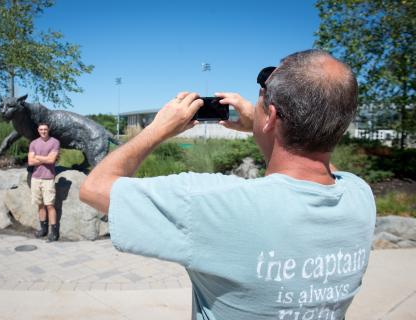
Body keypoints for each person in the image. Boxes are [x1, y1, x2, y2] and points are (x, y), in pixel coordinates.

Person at [80, 49, 376, 320]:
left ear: (271, 117)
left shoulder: (211, 202)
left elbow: (95, 188)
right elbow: (316, 166)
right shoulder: (360, 197)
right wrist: (265, 129)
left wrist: (157, 129)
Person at [28, 123, 60, 242]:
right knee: (40, 205)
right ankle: (43, 229)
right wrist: (45, 158)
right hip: (36, 178)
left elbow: (51, 160)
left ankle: (54, 232)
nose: (43, 131)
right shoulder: (34, 143)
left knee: (50, 205)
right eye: (41, 129)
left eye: (45, 129)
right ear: (38, 130)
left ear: (48, 130)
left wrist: (38, 157)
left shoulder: (54, 142)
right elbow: (30, 162)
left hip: (48, 178)